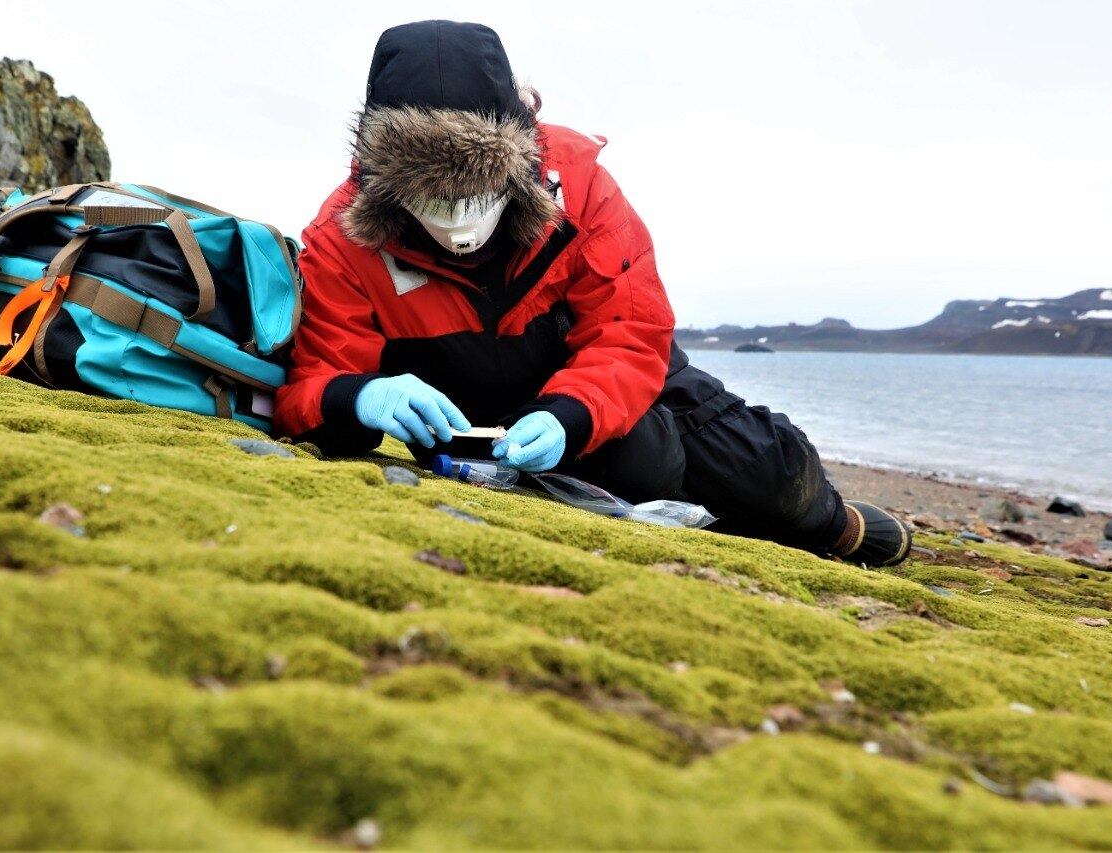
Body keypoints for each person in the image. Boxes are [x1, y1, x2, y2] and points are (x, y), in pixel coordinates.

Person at [275, 19, 911, 567]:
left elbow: (631, 333)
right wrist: (359, 397)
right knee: (643, 473)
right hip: (472, 425)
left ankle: (837, 526)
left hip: (602, 376)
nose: (457, 219)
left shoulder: (581, 192)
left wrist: (571, 415)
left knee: (767, 475)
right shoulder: (342, 237)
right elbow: (310, 381)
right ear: (385, 179)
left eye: (477, 187)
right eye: (429, 194)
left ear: (518, 158)